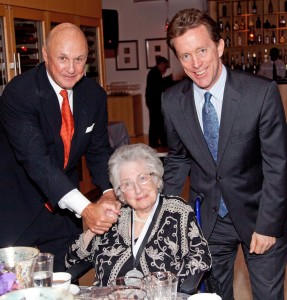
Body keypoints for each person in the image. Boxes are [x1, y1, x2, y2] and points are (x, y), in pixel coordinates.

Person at [161, 8, 287, 300]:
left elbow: (277, 165)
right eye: (185, 56)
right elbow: (178, 158)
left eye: (202, 50)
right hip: (208, 221)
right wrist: (164, 214)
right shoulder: (171, 101)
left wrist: (269, 225)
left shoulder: (260, 93)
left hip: (259, 216)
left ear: (219, 46)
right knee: (211, 297)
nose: (196, 63)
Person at [0, 23, 120, 271]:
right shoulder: (19, 93)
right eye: (62, 58)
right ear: (45, 54)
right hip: (16, 213)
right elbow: (37, 161)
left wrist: (109, 190)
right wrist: (86, 208)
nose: (72, 68)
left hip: (63, 217)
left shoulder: (93, 95)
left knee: (65, 284)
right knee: (16, 288)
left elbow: (98, 150)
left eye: (79, 59)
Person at [66, 143, 211, 289]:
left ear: (156, 178)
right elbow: (71, 259)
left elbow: (202, 259)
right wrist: (95, 226)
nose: (138, 189)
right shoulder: (114, 216)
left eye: (142, 178)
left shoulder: (178, 212)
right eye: (127, 184)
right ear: (120, 192)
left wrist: (168, 288)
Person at [145, 55, 172, 147]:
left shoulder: (154, 72)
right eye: (165, 66)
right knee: (156, 122)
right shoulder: (155, 73)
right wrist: (168, 80)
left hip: (153, 102)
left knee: (157, 122)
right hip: (154, 102)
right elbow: (158, 87)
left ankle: (157, 143)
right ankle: (155, 143)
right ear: (161, 64)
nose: (165, 69)